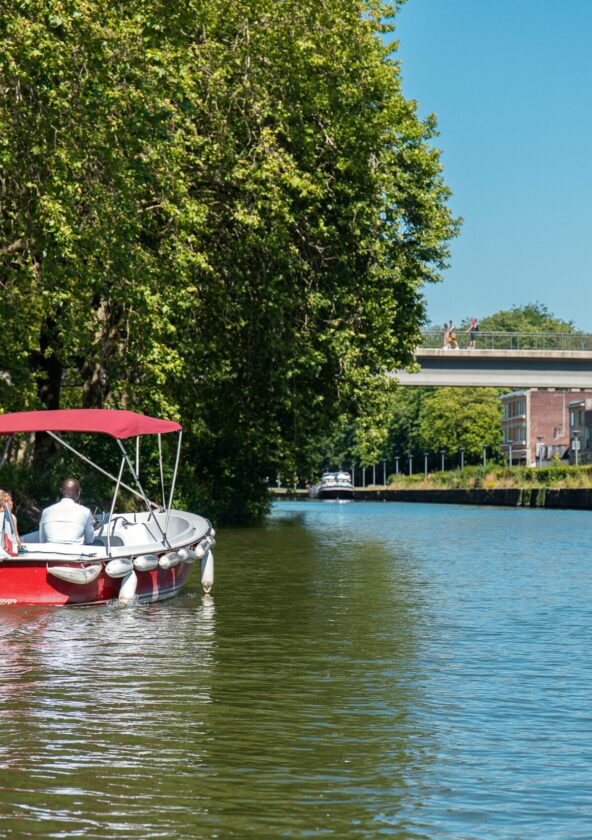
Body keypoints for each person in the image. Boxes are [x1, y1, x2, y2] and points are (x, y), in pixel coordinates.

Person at [39, 477, 95, 544]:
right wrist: (92, 525)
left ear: (60, 490)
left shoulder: (46, 511)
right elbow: (89, 540)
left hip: (51, 552)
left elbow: (41, 540)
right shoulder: (85, 512)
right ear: (79, 492)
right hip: (74, 553)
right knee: (98, 543)